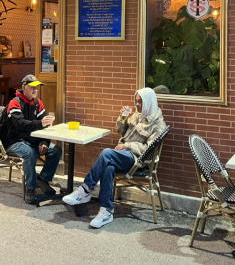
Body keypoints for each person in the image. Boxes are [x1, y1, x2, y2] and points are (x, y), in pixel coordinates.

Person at [62, 88, 166, 228]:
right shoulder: (137, 115)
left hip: (137, 161)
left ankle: (86, 189)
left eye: (141, 101)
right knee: (108, 168)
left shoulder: (158, 124)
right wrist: (123, 117)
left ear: (149, 102)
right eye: (136, 101)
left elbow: (149, 150)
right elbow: (120, 131)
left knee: (107, 153)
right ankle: (107, 210)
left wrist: (127, 145)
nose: (137, 104)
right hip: (123, 156)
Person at [0, 74, 62, 204]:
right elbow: (19, 124)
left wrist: (44, 142)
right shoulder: (15, 102)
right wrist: (40, 123)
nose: (35, 90)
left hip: (33, 141)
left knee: (56, 150)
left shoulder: (38, 103)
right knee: (30, 153)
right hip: (15, 142)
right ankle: (30, 189)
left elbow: (45, 127)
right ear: (24, 87)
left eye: (37, 87)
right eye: (32, 87)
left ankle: (43, 179)